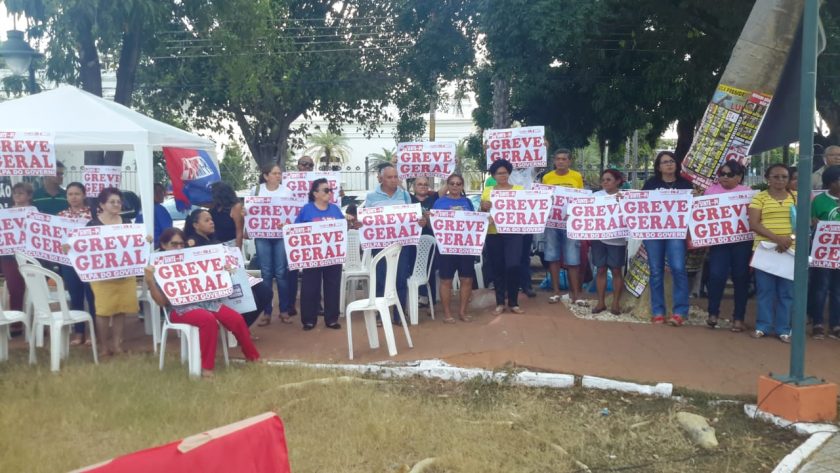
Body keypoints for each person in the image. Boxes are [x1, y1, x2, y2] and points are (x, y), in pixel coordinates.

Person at [145, 228, 260, 378]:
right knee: (207, 320)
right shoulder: (155, 267)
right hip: (179, 309)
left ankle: (253, 357)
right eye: (174, 244)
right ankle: (207, 369)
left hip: (208, 303)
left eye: (181, 244)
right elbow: (161, 302)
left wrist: (225, 271)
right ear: (164, 245)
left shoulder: (192, 259)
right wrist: (150, 281)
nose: (179, 248)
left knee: (236, 319)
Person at [184, 208, 272, 328]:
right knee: (253, 297)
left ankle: (243, 326)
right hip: (214, 284)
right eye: (207, 220)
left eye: (211, 219)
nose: (211, 222)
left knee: (265, 291)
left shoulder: (213, 238)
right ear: (196, 225)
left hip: (232, 276)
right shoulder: (192, 243)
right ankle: (239, 328)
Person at [642, 151, 694, 326]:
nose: (669, 164)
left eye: (672, 161)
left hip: (676, 233)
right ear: (658, 167)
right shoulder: (651, 184)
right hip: (653, 233)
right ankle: (658, 311)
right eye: (664, 162)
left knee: (678, 268)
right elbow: (639, 205)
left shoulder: (686, 185)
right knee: (656, 271)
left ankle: (680, 311)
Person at [87, 188, 140, 356]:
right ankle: (104, 347)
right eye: (112, 202)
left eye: (118, 201)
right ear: (102, 204)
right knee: (103, 311)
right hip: (102, 277)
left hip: (125, 275)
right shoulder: (93, 225)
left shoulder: (126, 222)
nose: (117, 204)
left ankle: (117, 345)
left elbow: (133, 246)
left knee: (120, 310)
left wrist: (144, 241)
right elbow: (85, 249)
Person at [702, 160, 752, 332]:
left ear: (739, 177)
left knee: (741, 278)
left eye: (729, 174)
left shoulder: (748, 193)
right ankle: (712, 314)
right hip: (719, 243)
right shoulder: (710, 191)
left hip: (741, 243)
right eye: (721, 174)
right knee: (716, 276)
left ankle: (738, 318)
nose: (724, 177)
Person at [748, 163, 795, 342]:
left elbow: (803, 223)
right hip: (765, 250)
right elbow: (754, 223)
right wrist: (778, 239)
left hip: (790, 251)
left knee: (786, 292)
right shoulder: (760, 198)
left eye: (784, 177)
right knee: (765, 290)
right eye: (776, 176)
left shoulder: (796, 198)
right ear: (768, 178)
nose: (780, 180)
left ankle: (784, 329)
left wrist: (788, 238)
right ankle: (763, 326)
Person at [364, 163, 417, 325]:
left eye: (396, 177)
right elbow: (366, 219)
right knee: (381, 279)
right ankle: (381, 313)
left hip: (401, 245)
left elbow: (411, 218)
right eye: (390, 177)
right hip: (379, 245)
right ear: (381, 178)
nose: (394, 180)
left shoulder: (405, 195)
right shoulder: (371, 197)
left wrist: (419, 221)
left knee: (401, 278)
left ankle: (399, 314)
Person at [294, 178, 345, 331]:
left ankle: (331, 319)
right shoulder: (306, 209)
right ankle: (309, 320)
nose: (329, 193)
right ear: (315, 193)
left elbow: (342, 228)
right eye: (326, 190)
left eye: (330, 190)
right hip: (312, 256)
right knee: (310, 287)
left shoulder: (335, 209)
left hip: (332, 255)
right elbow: (296, 231)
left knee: (332, 286)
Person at [250, 163, 295, 326]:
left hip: (281, 236)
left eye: (279, 173)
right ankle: (267, 312)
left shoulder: (287, 192)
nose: (278, 176)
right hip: (262, 236)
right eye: (275, 173)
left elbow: (292, 213)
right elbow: (250, 211)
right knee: (266, 273)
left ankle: (284, 310)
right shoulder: (256, 191)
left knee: (282, 273)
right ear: (266, 175)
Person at [480, 159, 525, 315]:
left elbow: (528, 208)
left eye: (505, 172)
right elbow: (482, 213)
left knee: (513, 265)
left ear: (509, 173)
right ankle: (500, 303)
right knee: (497, 267)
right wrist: (484, 207)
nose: (502, 175)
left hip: (514, 233)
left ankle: (513, 302)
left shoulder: (519, 189)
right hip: (494, 233)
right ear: (493, 175)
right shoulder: (488, 191)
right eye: (499, 173)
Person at [541, 149, 585, 304]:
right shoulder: (547, 178)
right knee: (552, 257)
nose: (560, 161)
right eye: (558, 159)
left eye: (564, 159)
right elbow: (543, 199)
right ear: (554, 161)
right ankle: (556, 292)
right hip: (551, 223)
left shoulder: (576, 177)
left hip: (570, 224)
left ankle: (576, 295)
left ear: (569, 161)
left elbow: (581, 198)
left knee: (573, 258)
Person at [432, 173, 476, 323]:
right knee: (446, 280)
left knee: (466, 279)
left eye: (458, 184)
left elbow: (475, 221)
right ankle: (447, 314)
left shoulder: (468, 202)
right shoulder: (439, 202)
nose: (455, 186)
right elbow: (433, 223)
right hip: (446, 248)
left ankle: (463, 312)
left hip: (466, 247)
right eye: (452, 183)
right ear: (447, 185)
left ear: (462, 186)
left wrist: (484, 217)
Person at [57, 182, 95, 345]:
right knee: (75, 297)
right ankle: (79, 333)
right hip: (69, 262)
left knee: (92, 296)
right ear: (66, 197)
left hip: (89, 261)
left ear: (84, 195)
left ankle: (94, 332)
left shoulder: (93, 215)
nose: (73, 197)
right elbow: (55, 239)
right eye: (70, 194)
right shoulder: (60, 216)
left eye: (77, 194)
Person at [590, 169, 627, 316]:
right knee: (600, 269)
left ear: (617, 181)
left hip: (617, 239)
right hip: (598, 238)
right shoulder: (596, 196)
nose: (605, 182)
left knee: (616, 270)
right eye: (603, 180)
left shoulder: (624, 196)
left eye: (609, 179)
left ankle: (616, 303)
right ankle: (601, 302)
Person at [809, 165, 840, 340]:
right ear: (831, 183)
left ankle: (836, 324)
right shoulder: (819, 200)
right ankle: (818, 323)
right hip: (824, 254)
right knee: (820, 287)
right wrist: (815, 223)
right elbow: (813, 223)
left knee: (837, 290)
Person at [286, 155, 316, 316]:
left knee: (314, 268)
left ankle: (316, 303)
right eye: (303, 164)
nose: (306, 167)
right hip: (293, 230)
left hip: (313, 230)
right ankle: (290, 304)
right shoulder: (288, 183)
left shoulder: (318, 183)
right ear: (297, 165)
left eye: (310, 165)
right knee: (292, 268)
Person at [1, 183, 34, 322]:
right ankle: (16, 321)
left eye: (21, 193)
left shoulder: (34, 211)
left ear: (29, 196)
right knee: (15, 287)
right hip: (8, 255)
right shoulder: (4, 213)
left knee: (34, 287)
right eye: (15, 193)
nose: (17, 196)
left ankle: (36, 320)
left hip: (29, 254)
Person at [411, 176, 439, 305]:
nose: (422, 186)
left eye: (425, 184)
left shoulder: (434, 199)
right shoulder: (408, 199)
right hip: (412, 241)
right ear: (414, 187)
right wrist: (394, 164)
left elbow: (447, 184)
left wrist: (451, 164)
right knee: (412, 269)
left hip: (430, 240)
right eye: (419, 184)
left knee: (429, 270)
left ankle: (431, 300)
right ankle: (416, 298)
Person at [135, 183, 173, 248]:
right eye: (162, 192)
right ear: (156, 194)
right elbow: (168, 231)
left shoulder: (142, 209)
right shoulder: (159, 209)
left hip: (141, 245)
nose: (164, 195)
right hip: (157, 246)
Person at [208, 182, 244, 248]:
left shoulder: (236, 207)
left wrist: (238, 249)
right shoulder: (215, 206)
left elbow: (239, 230)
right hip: (215, 243)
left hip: (231, 243)